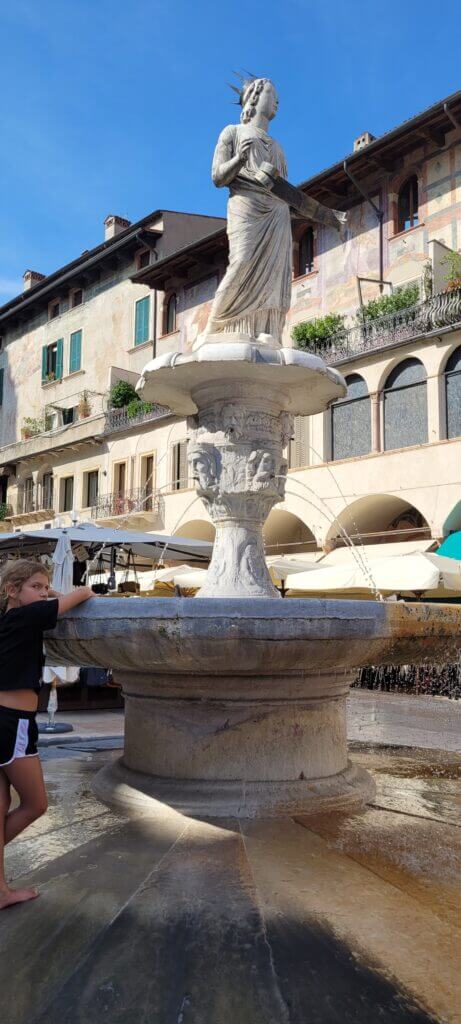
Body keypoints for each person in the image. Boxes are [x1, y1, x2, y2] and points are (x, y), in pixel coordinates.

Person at [0, 559, 93, 910]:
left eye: (44, 587)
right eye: (35, 587)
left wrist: (41, 592)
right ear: (12, 591)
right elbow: (84, 593)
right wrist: (55, 595)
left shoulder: (10, 621)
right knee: (36, 803)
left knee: (2, 805)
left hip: (5, 720)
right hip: (14, 723)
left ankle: (1, 891)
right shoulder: (27, 617)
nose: (42, 593)